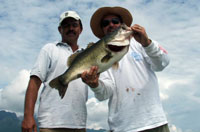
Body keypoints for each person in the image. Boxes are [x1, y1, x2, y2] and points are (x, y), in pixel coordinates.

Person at [82, 6, 170, 132]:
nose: (111, 25)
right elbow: (104, 94)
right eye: (105, 23)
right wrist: (95, 85)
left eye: (115, 21)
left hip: (155, 123)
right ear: (102, 30)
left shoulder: (141, 42)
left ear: (122, 25)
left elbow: (163, 63)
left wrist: (147, 44)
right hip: (122, 127)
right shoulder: (100, 56)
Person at [21, 11, 87, 132]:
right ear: (59, 29)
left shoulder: (87, 53)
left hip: (79, 125)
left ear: (81, 29)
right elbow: (34, 82)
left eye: (74, 25)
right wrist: (28, 116)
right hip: (50, 125)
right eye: (66, 25)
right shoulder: (49, 49)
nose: (71, 28)